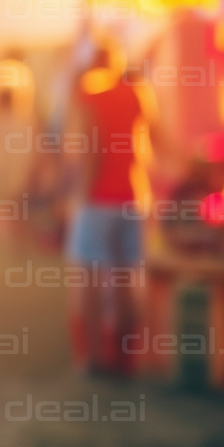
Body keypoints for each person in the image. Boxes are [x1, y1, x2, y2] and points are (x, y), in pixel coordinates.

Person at [63, 40, 149, 378]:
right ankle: (125, 360)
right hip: (131, 198)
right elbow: (148, 144)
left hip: (98, 200)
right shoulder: (134, 93)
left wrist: (79, 198)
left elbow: (91, 152)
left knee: (89, 280)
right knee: (126, 280)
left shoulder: (89, 96)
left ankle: (96, 360)